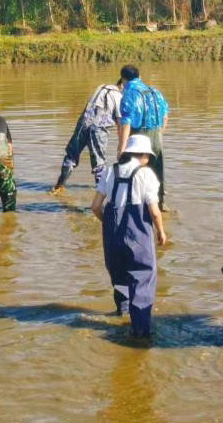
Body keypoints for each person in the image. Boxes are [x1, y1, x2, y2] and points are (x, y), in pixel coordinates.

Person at [91, 134, 168, 340]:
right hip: (138, 234)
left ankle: (122, 315)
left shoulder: (109, 171)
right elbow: (153, 211)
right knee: (142, 277)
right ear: (143, 156)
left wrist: (108, 225)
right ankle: (140, 333)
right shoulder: (146, 174)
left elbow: (95, 207)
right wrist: (161, 231)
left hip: (112, 233)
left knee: (120, 275)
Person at [53, 73, 123, 192]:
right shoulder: (119, 97)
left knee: (70, 157)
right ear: (123, 85)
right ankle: (101, 195)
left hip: (83, 124)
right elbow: (120, 122)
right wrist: (122, 145)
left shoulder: (101, 87)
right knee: (99, 163)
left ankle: (58, 186)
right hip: (99, 129)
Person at [115, 64, 170, 208]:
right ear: (140, 77)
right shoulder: (155, 91)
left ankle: (136, 205)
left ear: (123, 79)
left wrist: (122, 148)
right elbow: (165, 115)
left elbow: (126, 123)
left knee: (135, 171)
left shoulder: (129, 94)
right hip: (157, 135)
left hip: (139, 136)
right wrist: (159, 132)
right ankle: (161, 204)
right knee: (157, 170)